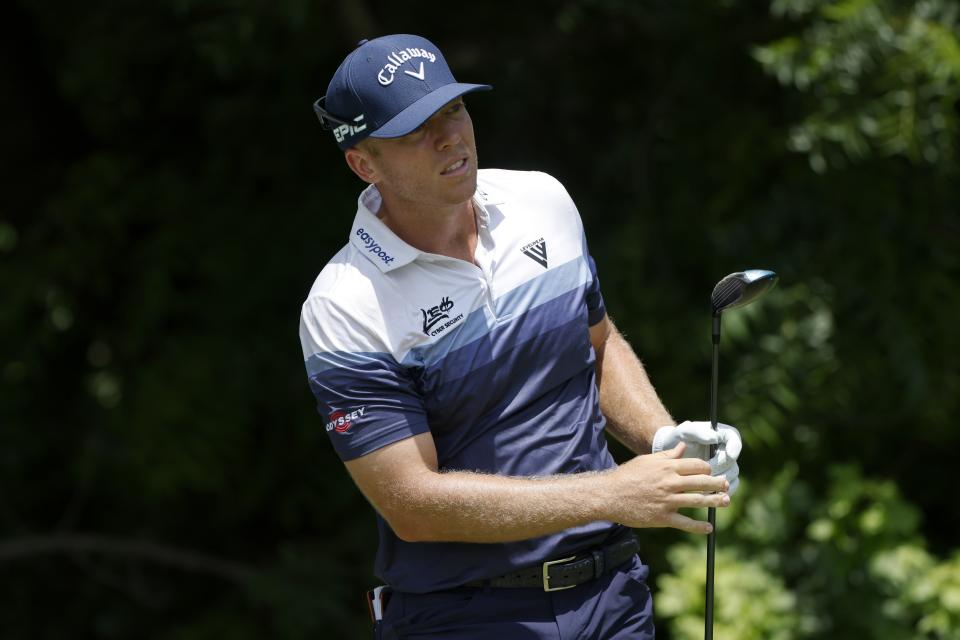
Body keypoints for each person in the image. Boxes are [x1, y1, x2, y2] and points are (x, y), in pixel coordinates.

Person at [299, 33, 742, 639]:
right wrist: (612, 493)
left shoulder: (543, 200)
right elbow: (412, 506)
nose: (449, 137)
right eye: (413, 130)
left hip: (615, 596)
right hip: (465, 615)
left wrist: (662, 440)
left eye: (452, 109)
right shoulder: (343, 305)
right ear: (363, 163)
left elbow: (599, 345)